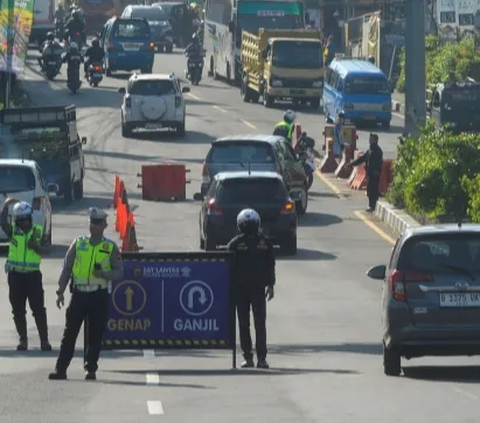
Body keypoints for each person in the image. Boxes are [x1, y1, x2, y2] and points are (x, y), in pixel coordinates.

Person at [48, 208, 123, 381]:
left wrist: (104, 274)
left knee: (95, 334)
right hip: (79, 294)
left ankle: (90, 369)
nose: (93, 227)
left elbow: (119, 272)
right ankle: (61, 369)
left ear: (104, 226)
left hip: (98, 295)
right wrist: (60, 291)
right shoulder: (78, 243)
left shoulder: (110, 247)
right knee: (70, 334)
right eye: (92, 223)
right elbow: (67, 268)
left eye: (97, 224)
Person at [0, 198, 52, 351]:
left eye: (23, 220)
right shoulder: (13, 231)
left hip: (33, 276)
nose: (21, 223)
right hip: (15, 277)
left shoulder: (38, 231)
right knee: (18, 310)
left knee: (38, 310)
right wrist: (5, 205)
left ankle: (44, 340)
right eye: (18, 220)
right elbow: (2, 222)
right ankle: (23, 340)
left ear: (29, 218)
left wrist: (36, 247)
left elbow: (47, 249)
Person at [227, 209, 275, 369]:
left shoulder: (264, 243)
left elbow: (270, 265)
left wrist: (271, 285)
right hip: (245, 290)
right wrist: (271, 285)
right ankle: (252, 358)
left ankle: (258, 358)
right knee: (250, 323)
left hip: (252, 289)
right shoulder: (236, 244)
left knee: (251, 324)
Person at [350, 133, 383, 212]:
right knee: (369, 190)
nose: (369, 140)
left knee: (373, 190)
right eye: (369, 139)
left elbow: (380, 163)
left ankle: (373, 206)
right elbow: (362, 159)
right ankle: (371, 205)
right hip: (369, 173)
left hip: (375, 174)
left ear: (375, 140)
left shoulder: (378, 151)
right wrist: (351, 164)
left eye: (371, 139)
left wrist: (377, 171)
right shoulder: (369, 150)